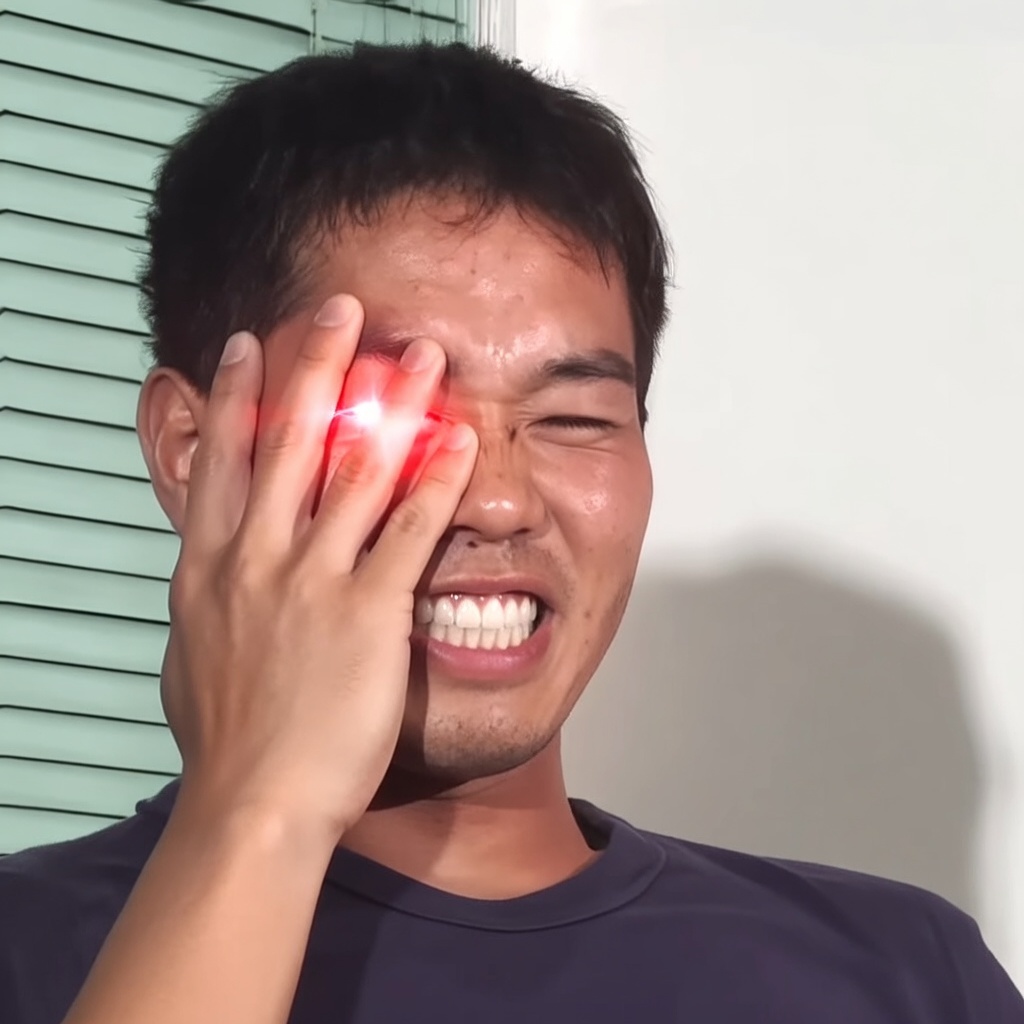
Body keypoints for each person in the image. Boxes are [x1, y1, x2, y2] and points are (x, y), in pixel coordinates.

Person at [0, 41, 1021, 1024]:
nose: (495, 500)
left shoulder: (908, 976)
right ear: (192, 449)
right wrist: (256, 816)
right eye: (398, 414)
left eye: (575, 419)